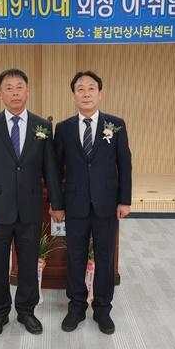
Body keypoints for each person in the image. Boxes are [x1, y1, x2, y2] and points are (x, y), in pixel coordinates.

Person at [0, 68, 64, 339]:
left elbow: (50, 169)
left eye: (19, 87)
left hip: (30, 208)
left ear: (28, 91)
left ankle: (26, 311)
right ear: (0, 93)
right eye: (9, 88)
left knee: (28, 262)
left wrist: (56, 203)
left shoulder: (42, 126)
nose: (15, 93)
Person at [53, 71, 132, 335]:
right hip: (75, 204)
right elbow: (56, 169)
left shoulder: (116, 125)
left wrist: (124, 200)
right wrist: (57, 203)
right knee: (75, 256)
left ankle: (102, 309)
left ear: (100, 93)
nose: (86, 93)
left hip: (106, 204)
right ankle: (76, 307)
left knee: (105, 257)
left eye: (91, 88)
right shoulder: (63, 128)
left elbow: (125, 164)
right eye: (80, 89)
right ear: (73, 95)